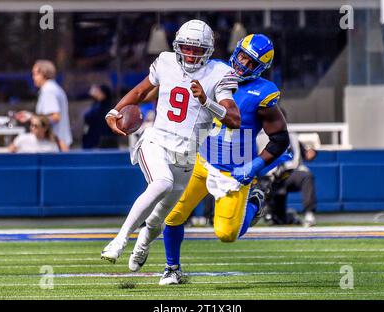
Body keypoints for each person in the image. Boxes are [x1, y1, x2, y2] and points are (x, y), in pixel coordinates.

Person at [130, 34, 292, 285]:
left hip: (233, 171)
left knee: (226, 234)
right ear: (235, 51)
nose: (244, 65)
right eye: (242, 57)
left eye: (252, 63)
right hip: (199, 161)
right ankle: (172, 268)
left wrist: (255, 166)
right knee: (172, 215)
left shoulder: (263, 93)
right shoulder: (211, 71)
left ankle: (256, 202)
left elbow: (280, 139)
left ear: (261, 68)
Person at [100, 20, 241, 265]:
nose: (190, 53)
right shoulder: (165, 62)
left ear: (207, 50)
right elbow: (141, 91)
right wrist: (114, 111)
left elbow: (234, 119)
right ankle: (120, 239)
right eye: (186, 47)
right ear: (178, 45)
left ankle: (143, 243)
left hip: (186, 156)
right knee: (162, 183)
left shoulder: (219, 73)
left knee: (158, 220)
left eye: (197, 49)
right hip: (157, 141)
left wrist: (207, 101)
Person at [261, 130, 317, 227]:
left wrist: (311, 153)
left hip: (289, 174)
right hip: (270, 178)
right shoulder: (260, 137)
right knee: (278, 220)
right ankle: (274, 213)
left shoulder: (292, 137)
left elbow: (306, 154)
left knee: (306, 176)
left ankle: (309, 214)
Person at [16, 60, 72, 149]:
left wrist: (31, 117)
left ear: (44, 74)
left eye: (35, 74)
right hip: (59, 144)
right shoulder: (54, 88)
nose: (33, 77)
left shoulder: (48, 91)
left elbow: (55, 117)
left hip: (54, 145)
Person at [82, 84, 119, 149]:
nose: (97, 93)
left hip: (105, 141)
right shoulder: (97, 105)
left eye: (99, 92)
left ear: (104, 94)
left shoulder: (109, 107)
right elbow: (87, 117)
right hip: (94, 141)